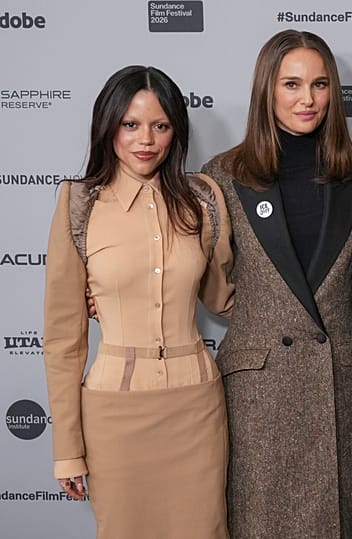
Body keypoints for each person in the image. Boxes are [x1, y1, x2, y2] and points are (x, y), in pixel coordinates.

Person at [199, 30, 352, 538]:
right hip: (259, 388)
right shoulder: (223, 174)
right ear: (267, 90)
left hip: (336, 382)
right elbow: (195, 272)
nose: (308, 99)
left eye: (320, 85)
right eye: (292, 84)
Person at [43, 65, 234, 538]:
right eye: (130, 124)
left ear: (176, 131)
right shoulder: (78, 203)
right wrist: (68, 447)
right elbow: (64, 340)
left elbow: (224, 300)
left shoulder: (203, 199)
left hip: (197, 408)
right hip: (114, 414)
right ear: (108, 126)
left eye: (160, 125)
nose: (145, 139)